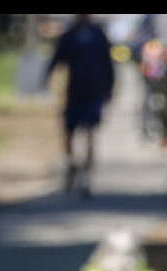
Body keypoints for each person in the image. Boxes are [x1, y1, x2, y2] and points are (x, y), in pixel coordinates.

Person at [46, 15, 115, 195]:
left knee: (90, 132)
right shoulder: (69, 36)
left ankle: (87, 176)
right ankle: (71, 164)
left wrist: (110, 88)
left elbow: (108, 63)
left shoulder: (98, 35)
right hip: (74, 91)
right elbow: (56, 59)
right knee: (68, 132)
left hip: (93, 91)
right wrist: (47, 79)